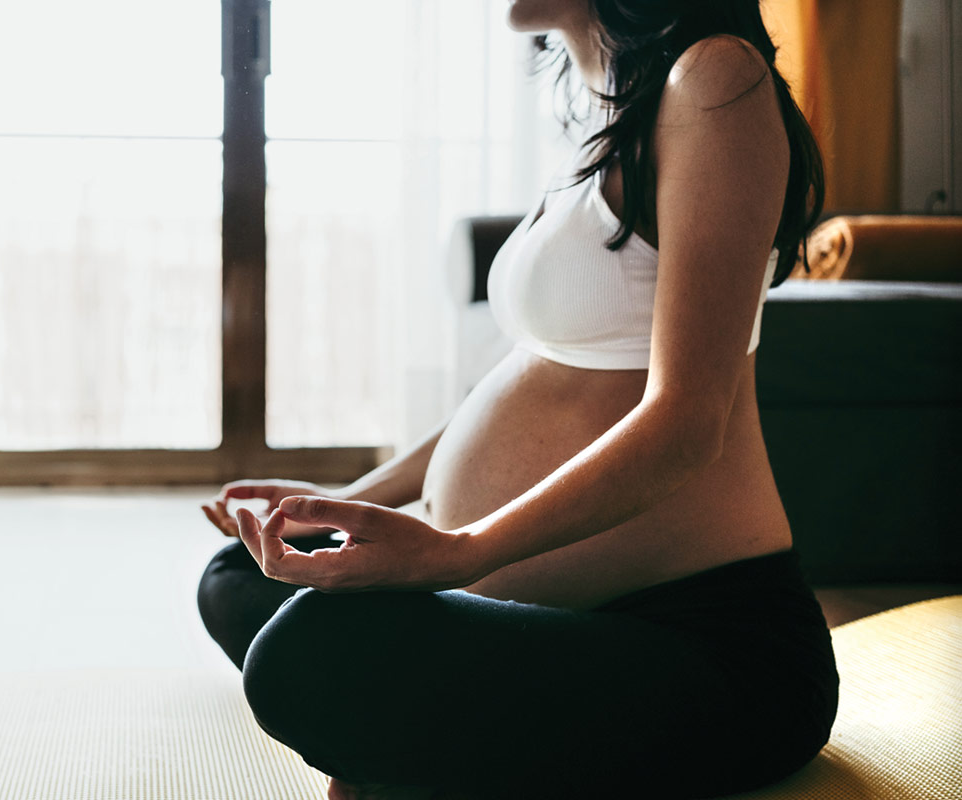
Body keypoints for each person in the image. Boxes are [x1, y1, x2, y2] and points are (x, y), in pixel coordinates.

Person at [195, 1, 840, 798]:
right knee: (242, 575)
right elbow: (523, 384)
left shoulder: (716, 80)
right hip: (557, 616)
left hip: (707, 641)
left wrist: (460, 548)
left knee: (311, 651)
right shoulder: (608, 114)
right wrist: (341, 503)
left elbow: (687, 421)